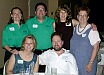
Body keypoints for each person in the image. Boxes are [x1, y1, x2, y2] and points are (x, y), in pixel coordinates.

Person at [70, 6, 101, 75]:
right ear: (77, 17)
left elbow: (96, 48)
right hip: (75, 65)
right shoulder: (74, 29)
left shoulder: (92, 30)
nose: (82, 17)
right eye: (80, 15)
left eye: (84, 15)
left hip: (87, 65)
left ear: (88, 17)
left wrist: (90, 63)